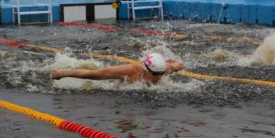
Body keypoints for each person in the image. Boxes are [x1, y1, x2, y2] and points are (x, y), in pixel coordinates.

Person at [51, 53, 183, 85]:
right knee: (93, 72)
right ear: (146, 68)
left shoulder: (164, 68)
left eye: (161, 73)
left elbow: (179, 64)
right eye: (156, 73)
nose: (159, 76)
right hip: (117, 77)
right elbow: (90, 74)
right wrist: (62, 74)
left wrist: (173, 62)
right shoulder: (130, 70)